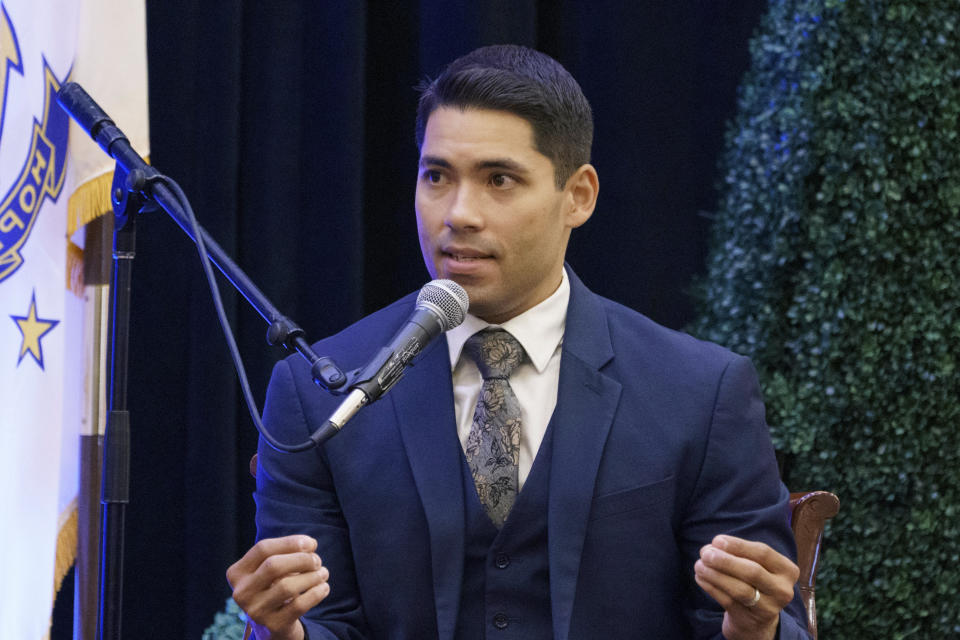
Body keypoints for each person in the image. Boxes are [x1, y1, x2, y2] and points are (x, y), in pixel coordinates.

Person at [227, 44, 811, 640]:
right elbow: (322, 623)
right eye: (437, 176)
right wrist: (280, 632)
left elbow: (766, 621)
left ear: (578, 196)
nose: (458, 214)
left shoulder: (699, 392)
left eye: (499, 179)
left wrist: (753, 630)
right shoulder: (320, 392)